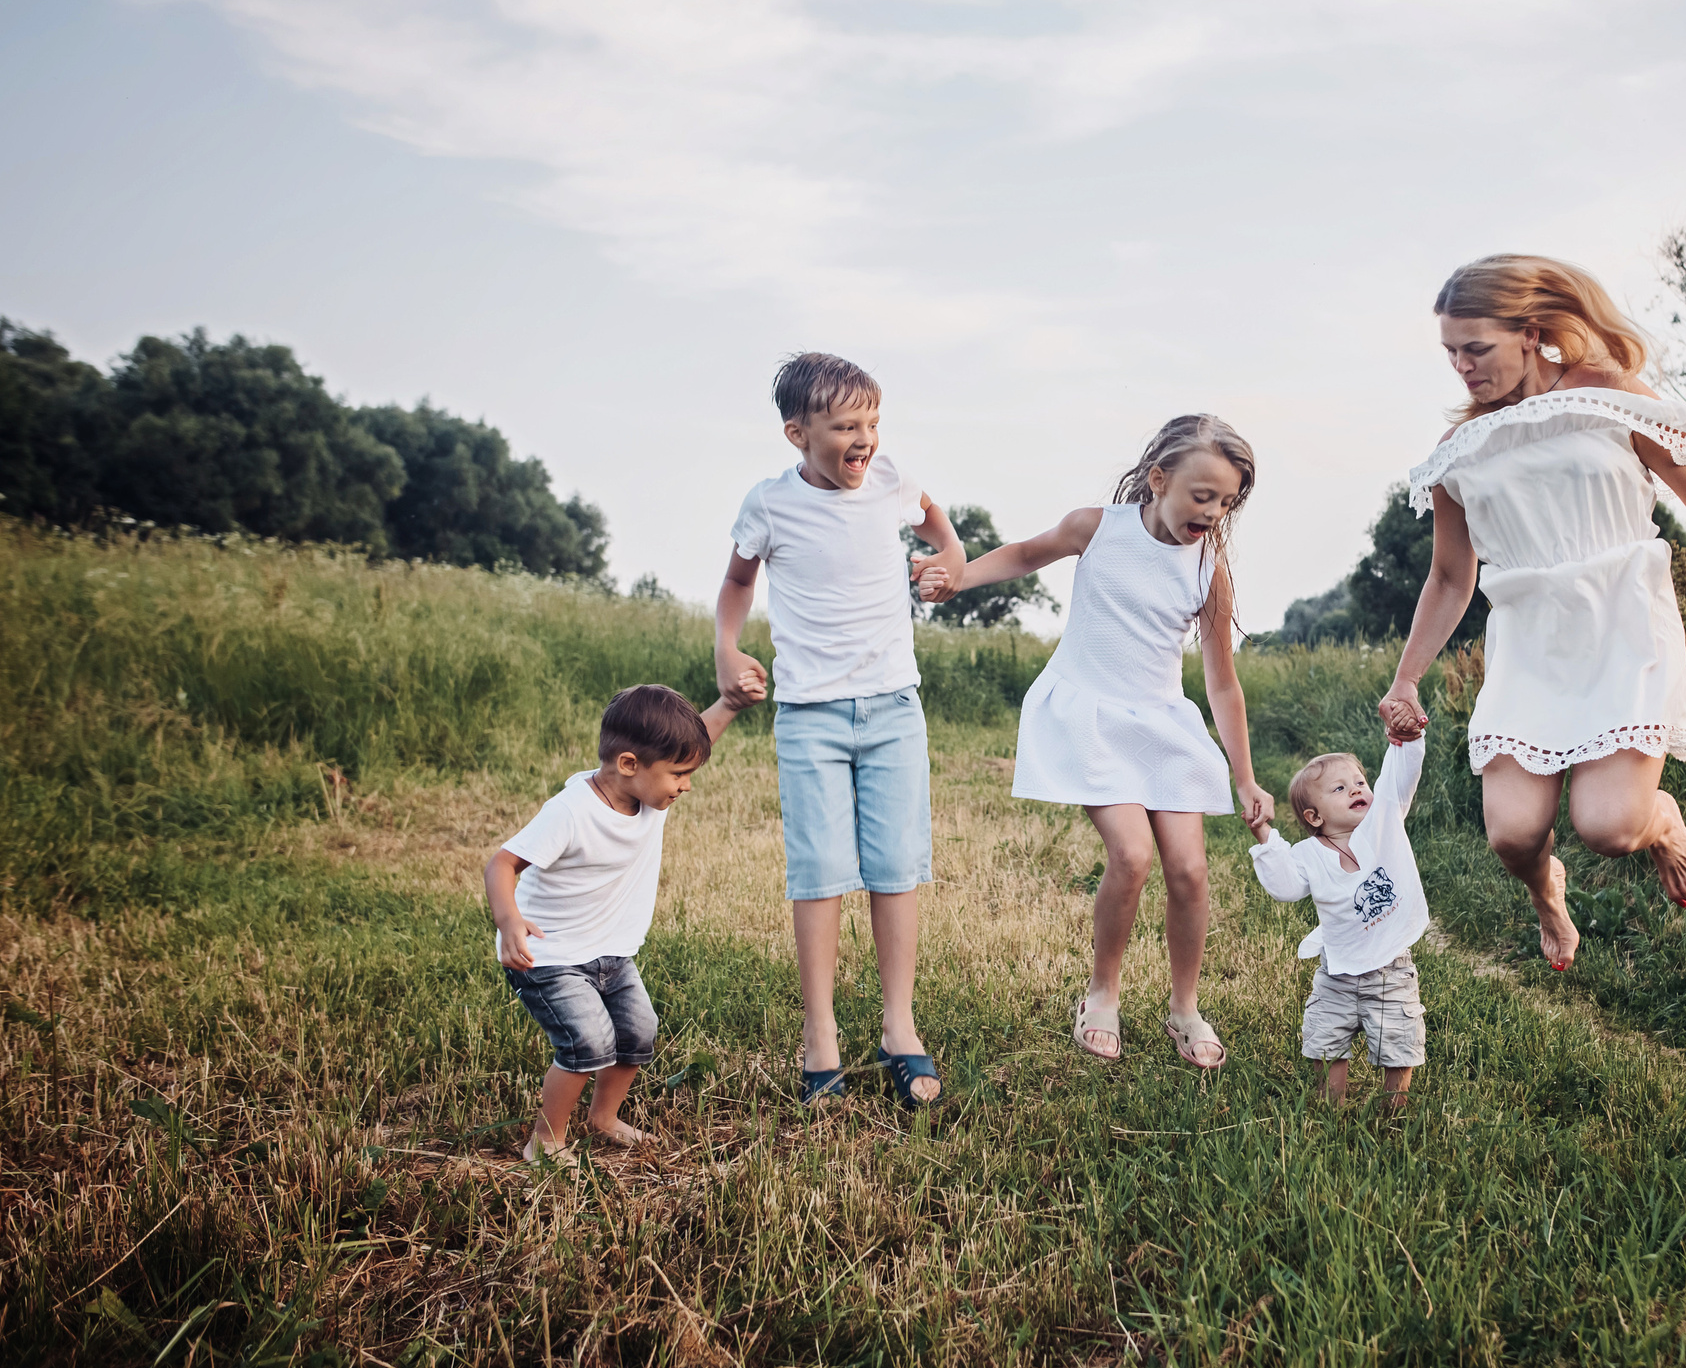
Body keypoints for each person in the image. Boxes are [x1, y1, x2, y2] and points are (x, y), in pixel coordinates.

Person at [1376, 254, 1686, 974]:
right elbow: (1450, 577)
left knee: (1610, 827)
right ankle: (1548, 891)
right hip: (1529, 643)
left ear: (1530, 332)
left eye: (1475, 347)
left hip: (1624, 626)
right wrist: (1406, 679)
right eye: (1450, 352)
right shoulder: (1459, 451)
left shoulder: (1607, 395)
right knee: (1513, 835)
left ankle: (1660, 819)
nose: (1461, 366)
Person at [925, 415, 1275, 1067]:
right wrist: (957, 578)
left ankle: (1184, 1007)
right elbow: (1024, 555)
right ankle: (1102, 994)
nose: (1213, 512)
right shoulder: (1097, 528)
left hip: (1162, 726)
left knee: (1191, 871)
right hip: (1090, 717)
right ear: (1159, 479)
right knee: (1132, 854)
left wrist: (1245, 776)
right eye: (1202, 495)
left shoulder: (1208, 569)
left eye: (1226, 501)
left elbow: (1223, 683)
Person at [714, 352, 968, 1107]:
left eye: (872, 423)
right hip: (810, 715)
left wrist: (949, 561)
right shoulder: (770, 504)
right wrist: (727, 647)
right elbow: (737, 582)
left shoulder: (891, 480)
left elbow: (941, 530)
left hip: (893, 709)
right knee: (820, 872)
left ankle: (899, 1027)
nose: (865, 439)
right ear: (798, 434)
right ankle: (819, 1033)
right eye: (846, 427)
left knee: (895, 868)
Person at [485, 684, 734, 1162]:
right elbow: (501, 864)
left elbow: (692, 741)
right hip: (549, 955)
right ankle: (546, 1140)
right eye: (679, 774)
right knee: (587, 1042)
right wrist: (509, 919)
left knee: (638, 1032)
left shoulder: (650, 797)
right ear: (629, 764)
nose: (686, 785)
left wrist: (730, 704)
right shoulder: (570, 812)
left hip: (612, 954)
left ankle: (603, 1117)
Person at [1247, 730, 1431, 1110]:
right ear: (1315, 816)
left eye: (1360, 782)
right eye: (1340, 788)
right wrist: (1264, 834)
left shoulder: (1384, 822)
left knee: (1399, 1044)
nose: (1356, 789)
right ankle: (1330, 1108)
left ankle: (1393, 1111)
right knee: (1326, 1044)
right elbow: (1285, 885)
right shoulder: (1309, 853)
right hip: (1336, 975)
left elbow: (1400, 775)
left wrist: (1408, 737)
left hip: (1391, 970)